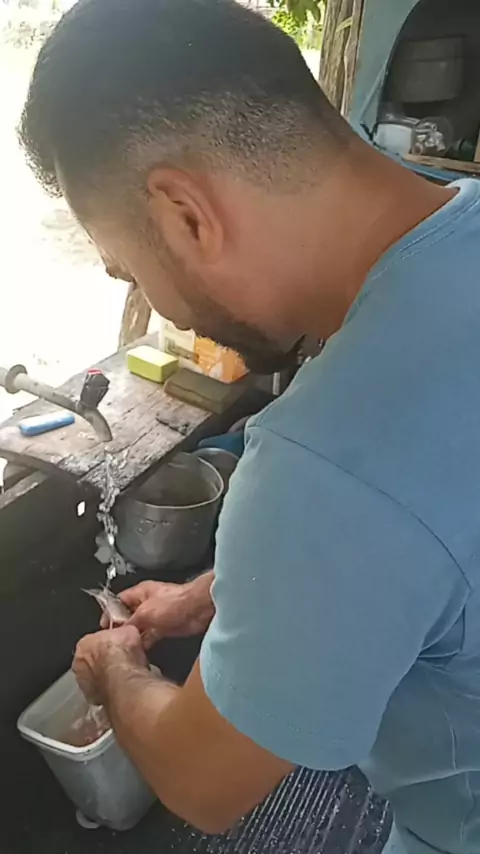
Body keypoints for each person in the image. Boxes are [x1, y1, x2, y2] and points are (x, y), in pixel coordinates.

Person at [19, 1, 480, 851]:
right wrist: (220, 591)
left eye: (129, 269)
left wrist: (115, 670)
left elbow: (205, 782)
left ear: (185, 216)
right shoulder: (463, 223)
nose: (153, 303)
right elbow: (424, 540)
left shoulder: (326, 462)